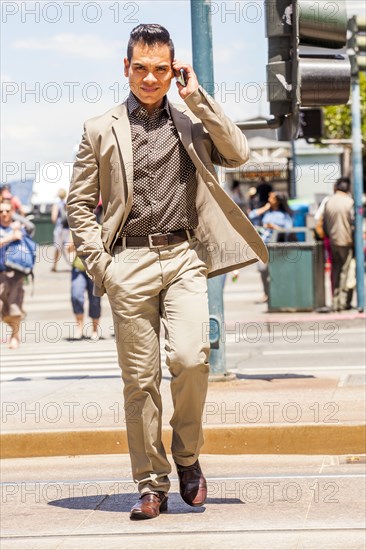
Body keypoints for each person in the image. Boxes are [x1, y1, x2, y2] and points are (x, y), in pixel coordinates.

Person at [67, 23, 267, 520]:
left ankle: (188, 456)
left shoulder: (191, 118)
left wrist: (198, 97)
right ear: (126, 67)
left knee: (192, 358)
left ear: (173, 69)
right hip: (127, 260)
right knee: (139, 381)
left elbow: (239, 153)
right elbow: (78, 204)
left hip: (183, 257)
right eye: (141, 69)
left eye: (161, 70)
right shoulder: (99, 127)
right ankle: (151, 483)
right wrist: (102, 266)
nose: (150, 79)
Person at [249, 191, 293, 303]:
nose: (269, 199)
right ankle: (267, 293)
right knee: (263, 269)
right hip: (264, 245)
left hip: (277, 247)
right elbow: (251, 216)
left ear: (278, 201)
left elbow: (288, 230)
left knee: (278, 271)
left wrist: (274, 227)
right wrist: (264, 208)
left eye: (272, 198)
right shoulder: (266, 213)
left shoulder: (284, 215)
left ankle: (278, 294)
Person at [0, 200, 30, 349]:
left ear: (12, 212)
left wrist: (18, 221)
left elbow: (32, 227)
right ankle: (14, 331)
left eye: (7, 211)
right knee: (2, 310)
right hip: (0, 274)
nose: (4, 214)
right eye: (1, 211)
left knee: (14, 307)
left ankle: (15, 336)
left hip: (16, 274)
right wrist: (11, 237)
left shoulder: (20, 228)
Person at [323, 177, 354, 312]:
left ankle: (335, 301)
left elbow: (324, 225)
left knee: (335, 271)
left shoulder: (329, 202)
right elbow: (354, 223)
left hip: (333, 241)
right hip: (346, 241)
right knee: (345, 272)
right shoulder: (349, 202)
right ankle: (342, 302)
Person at [51, 188, 69, 272]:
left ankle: (54, 266)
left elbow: (53, 218)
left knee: (57, 248)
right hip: (67, 229)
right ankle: (73, 265)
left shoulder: (56, 205)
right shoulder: (67, 204)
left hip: (59, 229)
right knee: (69, 247)